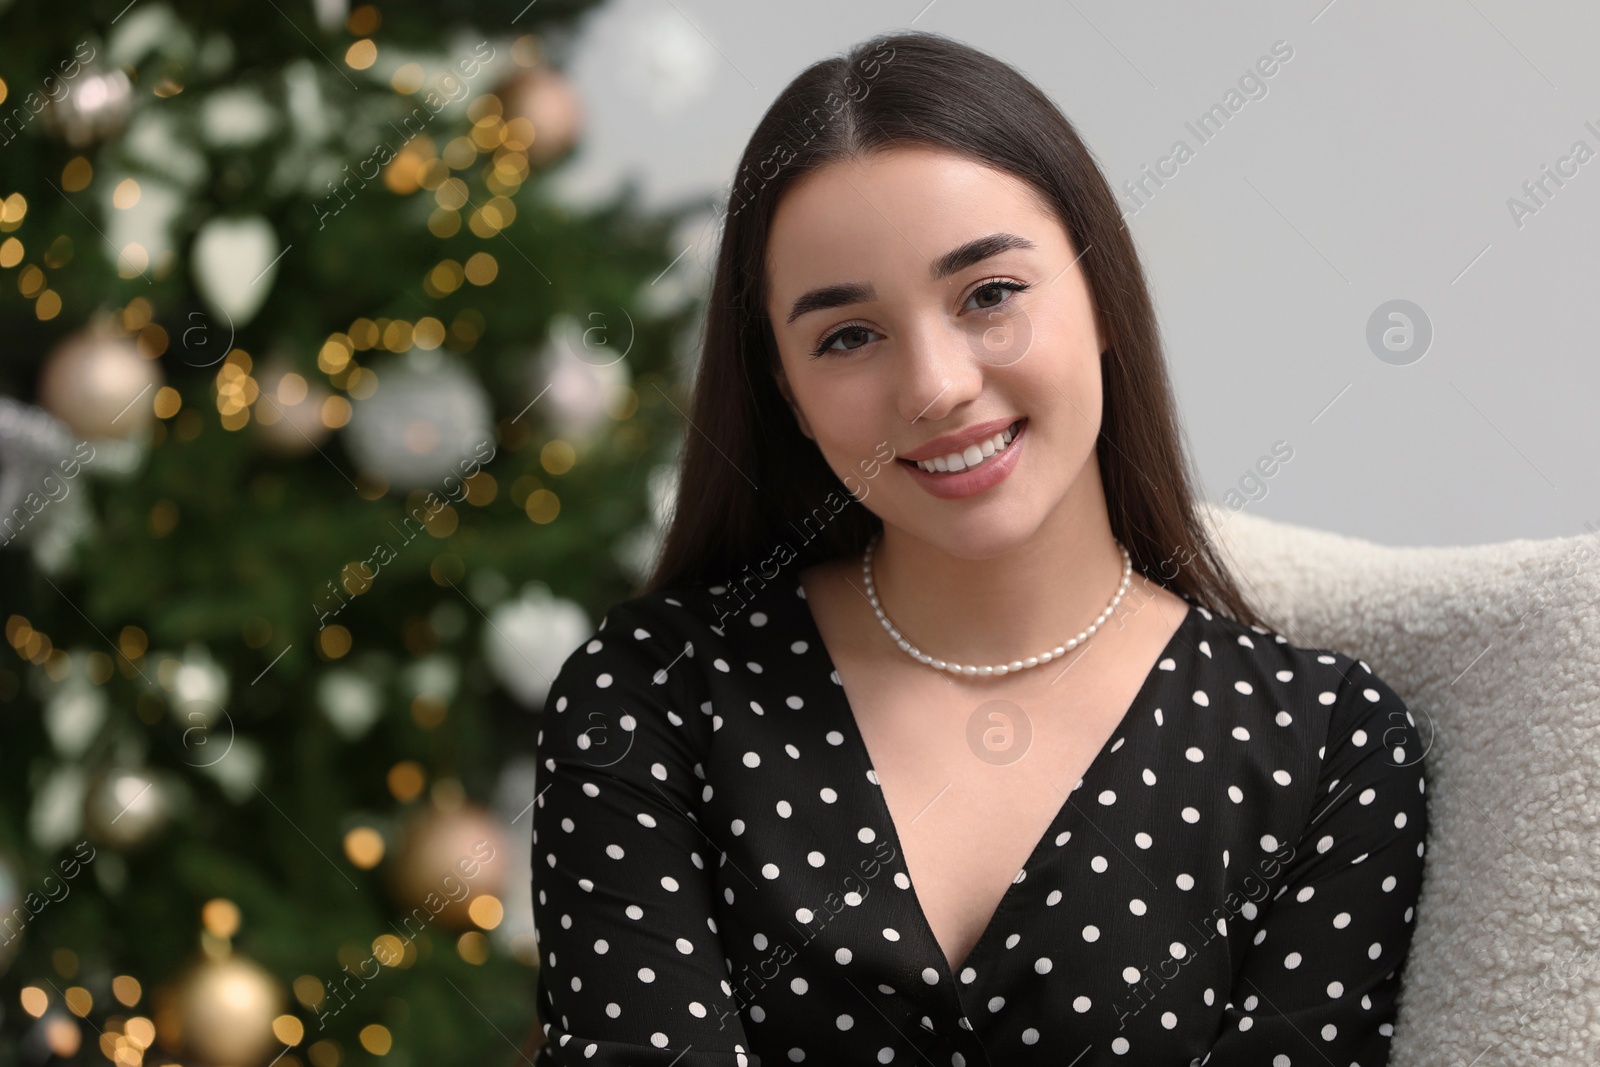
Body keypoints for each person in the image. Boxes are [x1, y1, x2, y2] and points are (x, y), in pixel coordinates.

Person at [530, 28, 1429, 1065]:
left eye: (989, 294)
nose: (936, 385)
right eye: (847, 336)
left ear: (1099, 293)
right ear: (786, 389)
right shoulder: (654, 695)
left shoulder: (1330, 750)